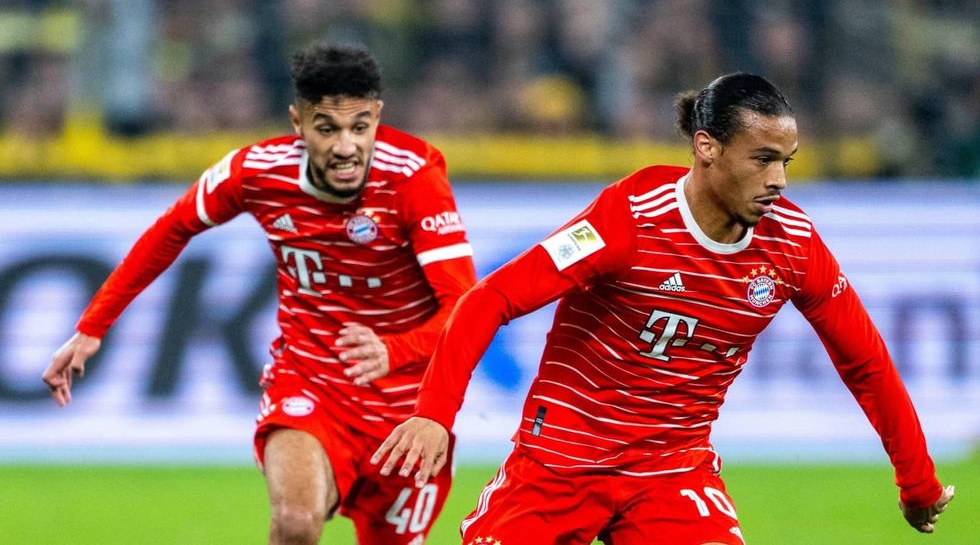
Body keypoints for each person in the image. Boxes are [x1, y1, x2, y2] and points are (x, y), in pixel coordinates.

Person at [372, 73, 954, 544]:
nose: (779, 180)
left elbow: (866, 363)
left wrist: (916, 480)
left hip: (673, 472)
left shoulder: (795, 246)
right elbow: (489, 298)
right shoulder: (629, 218)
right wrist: (434, 413)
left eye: (788, 161)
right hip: (560, 462)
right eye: (763, 159)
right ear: (707, 148)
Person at [42, 44, 477, 545]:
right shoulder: (255, 171)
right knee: (295, 524)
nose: (345, 146)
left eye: (360, 127)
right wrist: (92, 327)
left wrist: (394, 350)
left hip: (408, 410)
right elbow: (171, 229)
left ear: (377, 116)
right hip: (312, 383)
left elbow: (464, 307)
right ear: (298, 122)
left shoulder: (414, 176)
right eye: (326, 128)